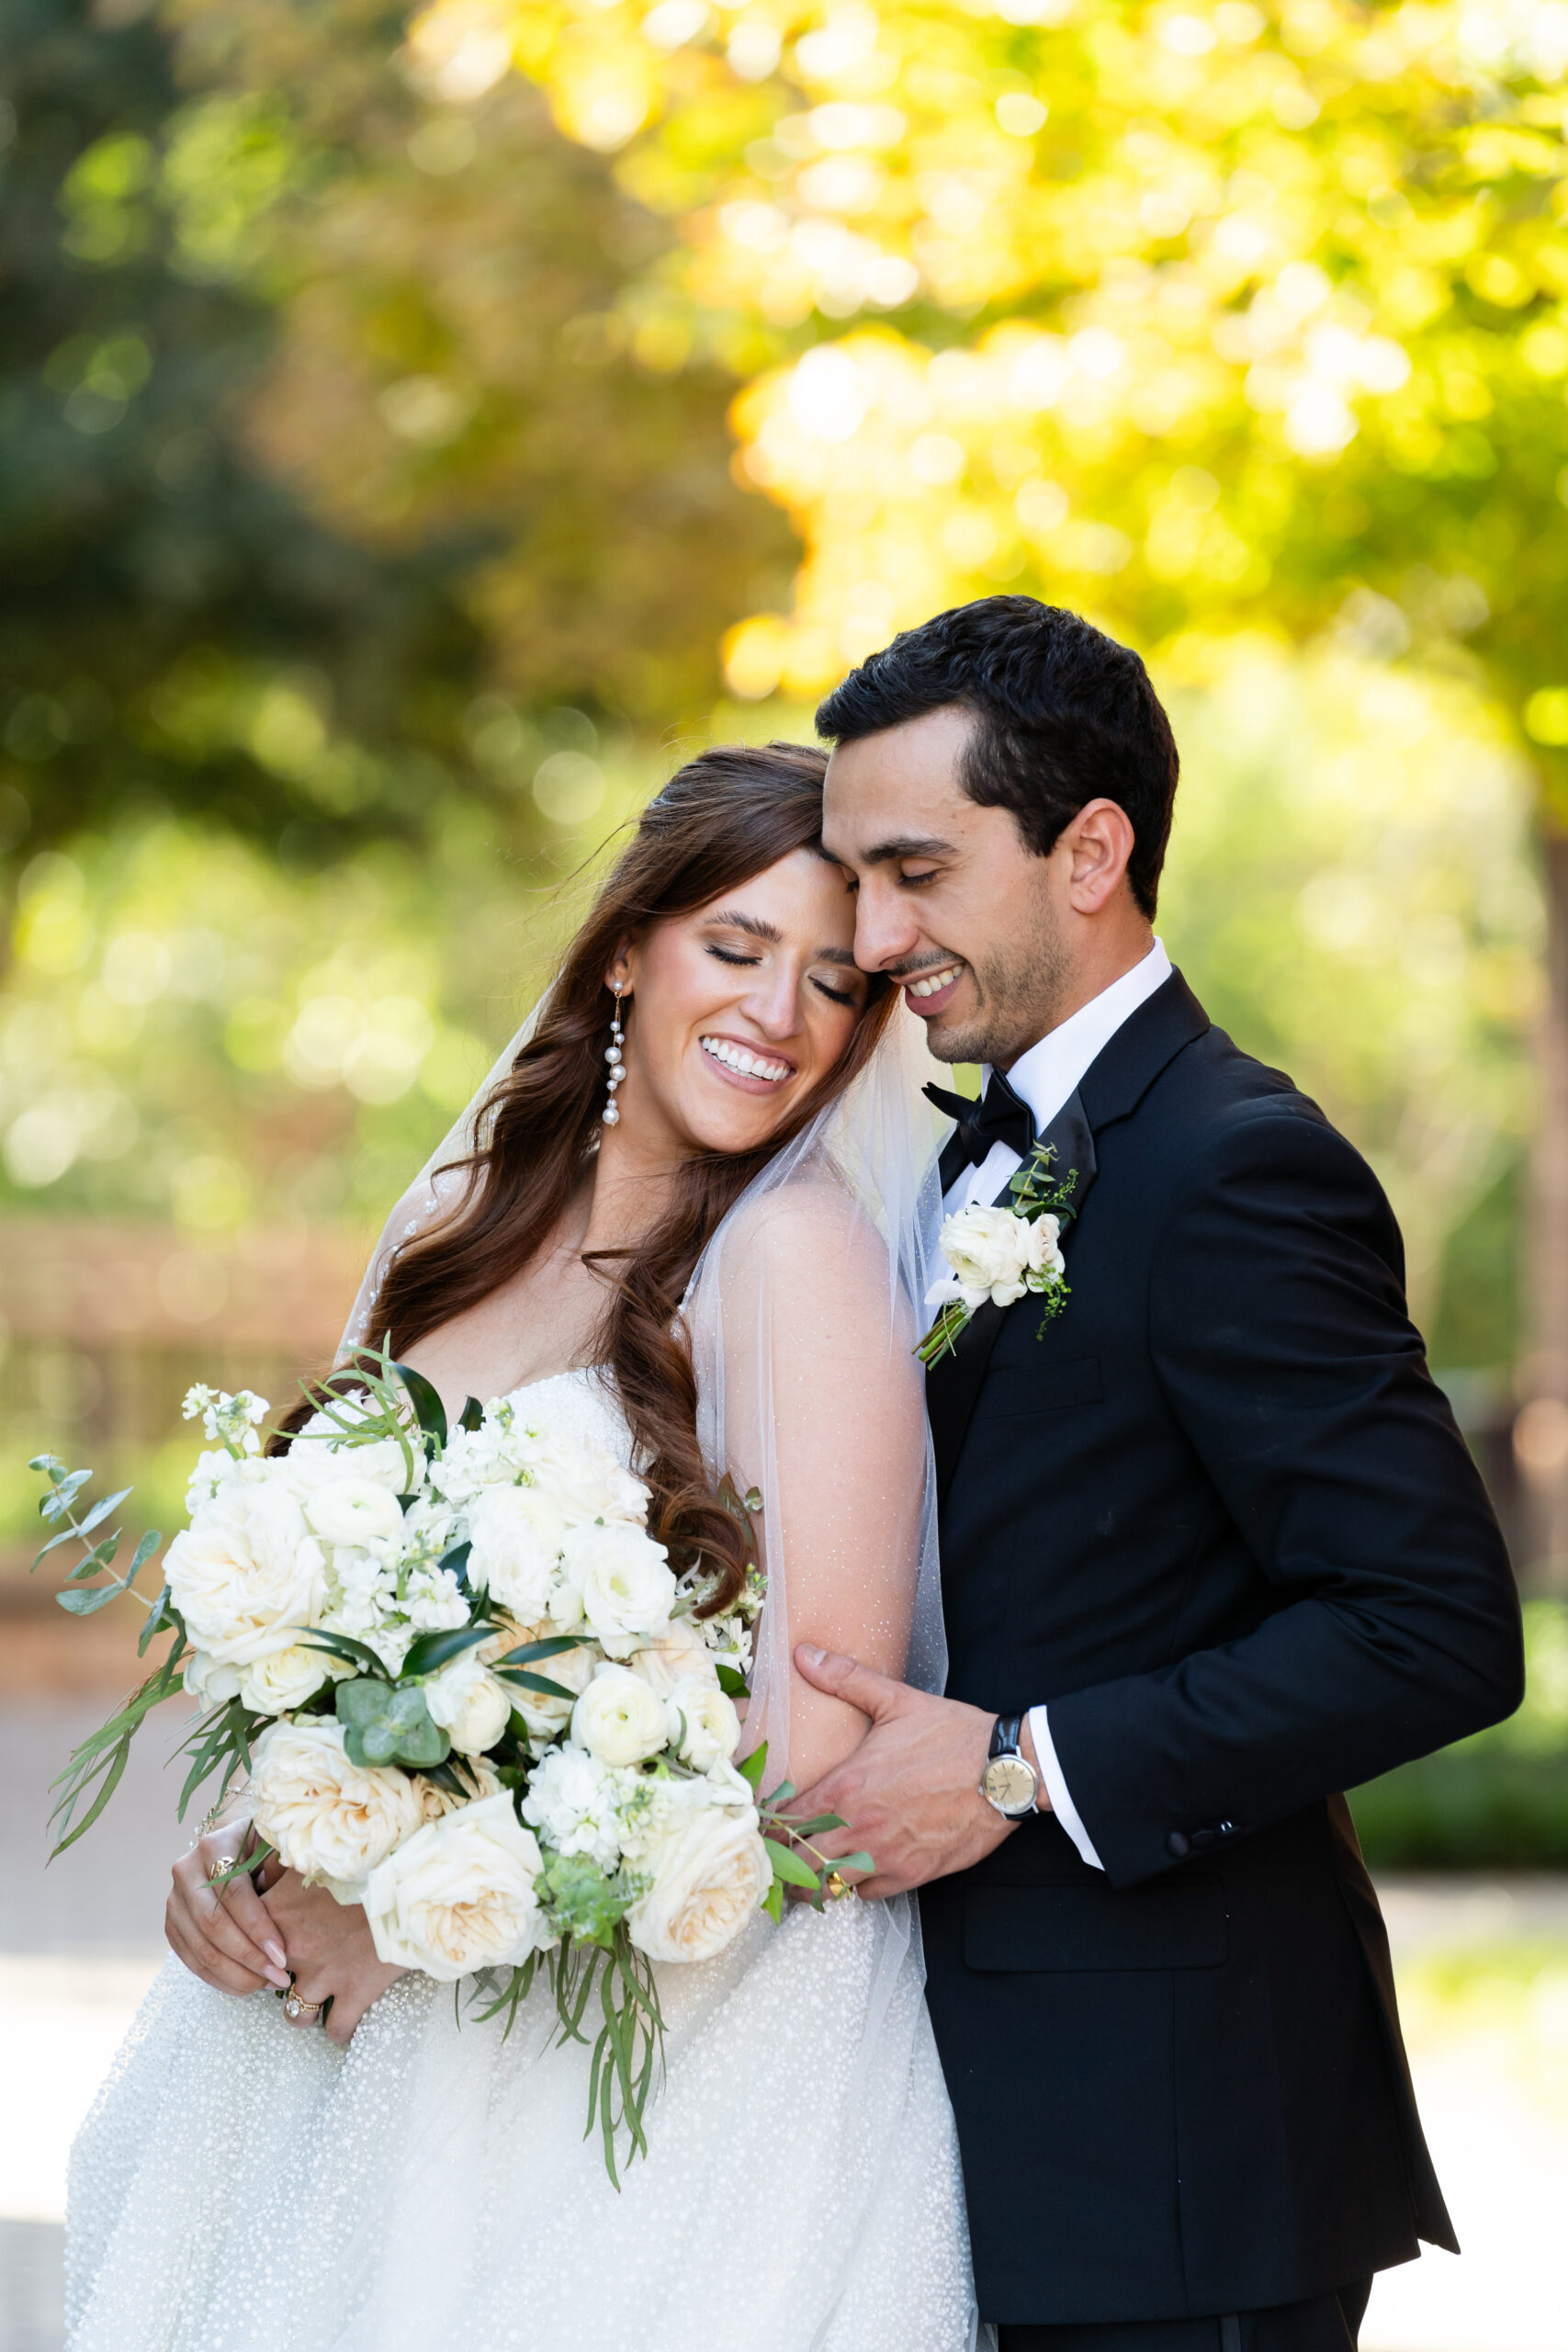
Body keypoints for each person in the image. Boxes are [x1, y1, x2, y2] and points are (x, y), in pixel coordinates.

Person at [66, 744, 980, 2352]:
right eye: (735, 947)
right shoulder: (465, 1227)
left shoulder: (798, 1255)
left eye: (836, 981)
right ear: (630, 945)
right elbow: (343, 1644)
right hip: (352, 2012)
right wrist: (262, 1855)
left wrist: (405, 1915)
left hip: (655, 2071)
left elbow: (812, 1762)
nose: (779, 1014)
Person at [791, 596, 1527, 2352]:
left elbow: (1433, 1627)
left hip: (1175, 2155)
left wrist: (1017, 1774)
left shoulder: (1236, 1169)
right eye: (854, 883)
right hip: (962, 2119)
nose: (875, 935)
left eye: (916, 871)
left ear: (1090, 850)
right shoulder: (924, 1164)